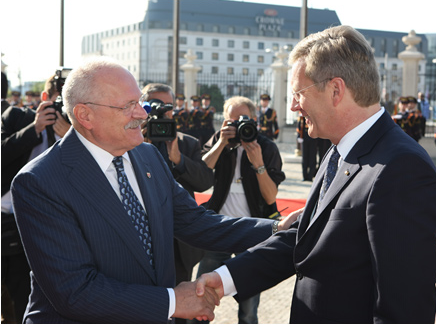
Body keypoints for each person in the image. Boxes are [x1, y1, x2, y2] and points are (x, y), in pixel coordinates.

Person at [11, 57, 296, 323]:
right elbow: (75, 291)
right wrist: (173, 301)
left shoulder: (147, 156)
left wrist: (276, 228)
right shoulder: (40, 182)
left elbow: (195, 222)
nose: (141, 114)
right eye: (128, 106)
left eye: (140, 102)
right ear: (85, 115)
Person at [196, 25, 436, 323]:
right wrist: (223, 280)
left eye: (299, 93)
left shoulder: (401, 168)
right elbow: (305, 239)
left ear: (336, 90)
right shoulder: (339, 150)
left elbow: (405, 308)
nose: (293, 105)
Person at [196, 96, 285, 323]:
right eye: (232, 120)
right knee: (200, 293)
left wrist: (258, 163)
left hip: (251, 231)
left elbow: (270, 196)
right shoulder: (221, 140)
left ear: (254, 120)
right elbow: (200, 176)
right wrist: (221, 144)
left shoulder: (266, 147)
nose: (238, 125)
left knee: (248, 305)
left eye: (243, 119)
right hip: (218, 227)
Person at [2, 72, 71, 323]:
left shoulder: (82, 131)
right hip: (5, 218)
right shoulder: (16, 118)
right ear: (45, 98)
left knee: (25, 297)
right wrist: (36, 128)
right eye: (58, 101)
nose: (63, 108)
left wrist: (73, 137)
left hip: (43, 226)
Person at [141, 83, 214, 323]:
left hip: (179, 245)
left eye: (167, 107)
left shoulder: (188, 143)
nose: (162, 112)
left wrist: (177, 157)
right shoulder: (129, 141)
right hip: (142, 241)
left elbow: (204, 182)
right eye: (155, 105)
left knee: (182, 309)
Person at [297, 115, 317, 181]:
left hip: (313, 139)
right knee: (304, 158)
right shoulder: (302, 117)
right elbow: (299, 127)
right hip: (304, 139)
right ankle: (305, 176)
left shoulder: (314, 115)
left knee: (312, 158)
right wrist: (299, 136)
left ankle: (310, 176)